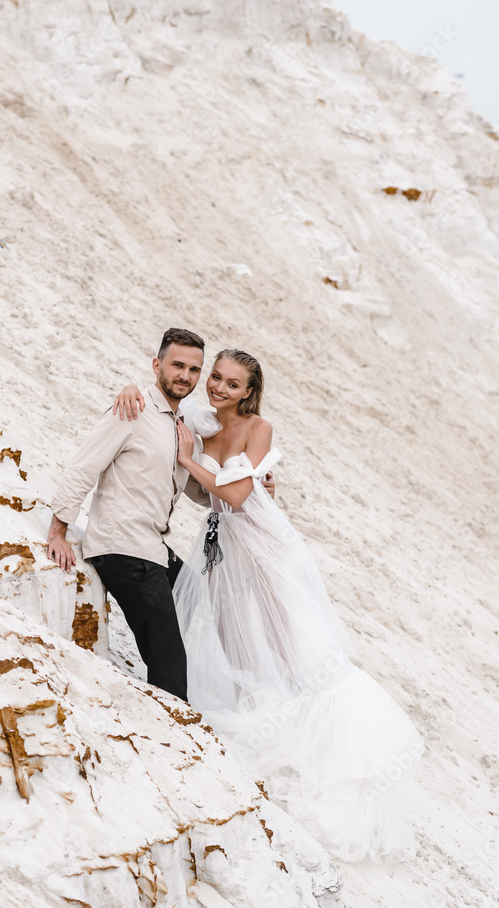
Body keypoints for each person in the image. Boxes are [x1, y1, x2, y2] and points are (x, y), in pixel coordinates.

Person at [114, 348, 423, 863]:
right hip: (221, 548)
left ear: (249, 391)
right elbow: (166, 408)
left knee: (286, 639)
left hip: (261, 543)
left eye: (232, 384)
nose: (218, 388)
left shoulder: (259, 427)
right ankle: (260, 715)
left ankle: (313, 738)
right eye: (216, 377)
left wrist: (191, 461)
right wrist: (130, 390)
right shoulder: (202, 423)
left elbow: (237, 496)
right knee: (234, 637)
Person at [47, 328, 276, 702]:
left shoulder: (181, 422)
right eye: (177, 365)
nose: (185, 375)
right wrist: (58, 531)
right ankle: (173, 717)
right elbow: (82, 468)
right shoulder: (132, 411)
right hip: (124, 550)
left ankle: (220, 696)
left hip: (153, 548)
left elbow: (199, 492)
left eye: (194, 369)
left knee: (200, 603)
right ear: (157, 365)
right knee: (169, 662)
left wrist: (253, 494)